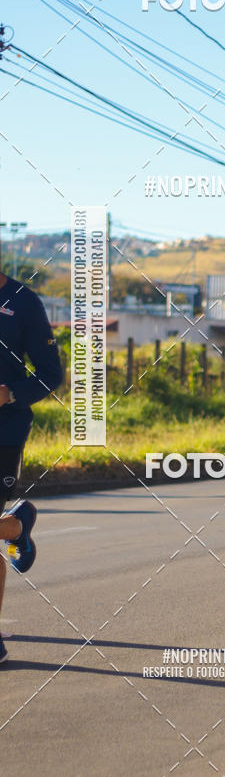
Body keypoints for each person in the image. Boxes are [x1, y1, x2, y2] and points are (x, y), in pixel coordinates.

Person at [0, 269, 63, 661]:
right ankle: (16, 526)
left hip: (4, 430)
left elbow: (50, 375)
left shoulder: (24, 302)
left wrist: (9, 394)